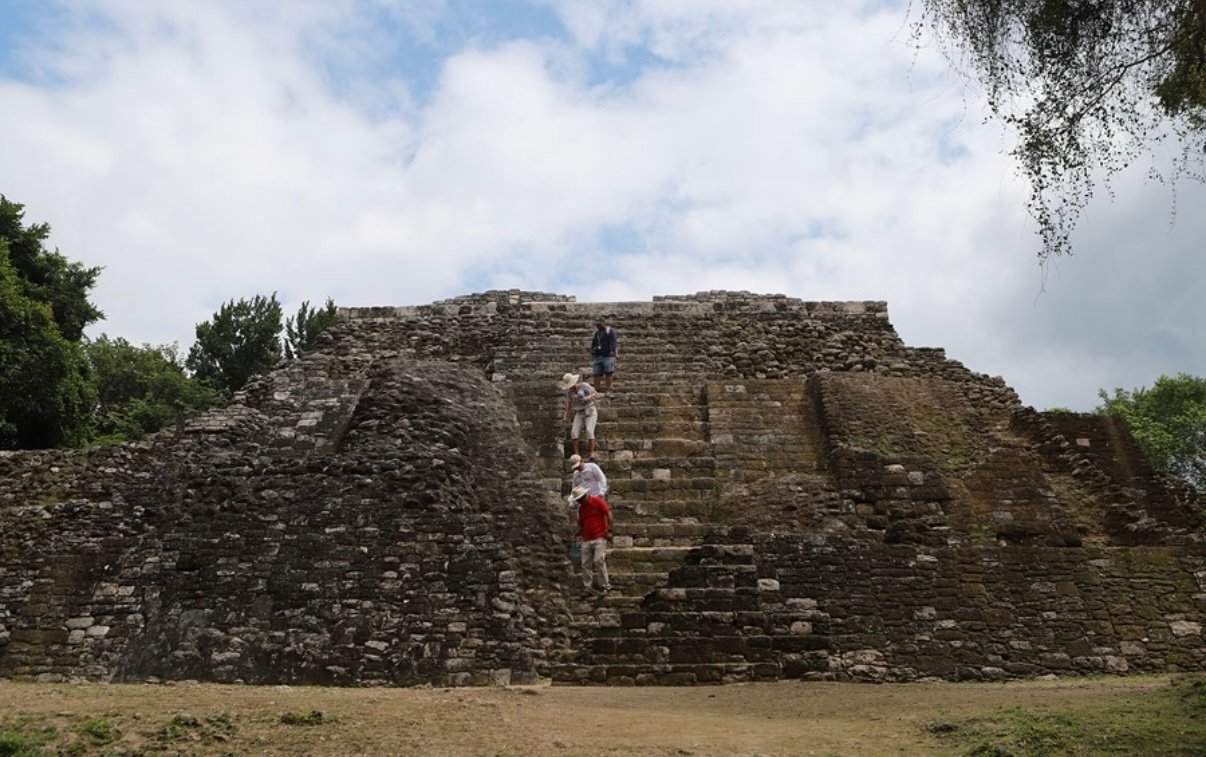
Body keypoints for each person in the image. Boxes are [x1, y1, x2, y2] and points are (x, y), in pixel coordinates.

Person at [571, 485, 612, 594]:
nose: (579, 501)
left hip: (599, 535)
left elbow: (608, 514)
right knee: (585, 563)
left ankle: (605, 585)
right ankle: (587, 586)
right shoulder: (581, 509)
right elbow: (581, 524)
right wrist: (575, 534)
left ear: (584, 496)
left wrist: (609, 530)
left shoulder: (597, 501)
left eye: (580, 499)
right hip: (587, 538)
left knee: (598, 560)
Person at [559, 372, 601, 460]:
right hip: (579, 412)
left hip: (590, 410)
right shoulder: (570, 392)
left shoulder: (584, 386)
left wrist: (588, 397)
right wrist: (566, 416)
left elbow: (594, 393)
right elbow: (569, 405)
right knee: (574, 432)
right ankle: (576, 454)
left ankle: (591, 452)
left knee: (589, 431)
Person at [590, 317, 618, 392]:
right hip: (598, 355)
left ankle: (608, 388)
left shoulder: (610, 331)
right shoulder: (597, 333)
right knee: (597, 373)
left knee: (608, 372)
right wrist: (592, 349)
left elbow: (613, 341)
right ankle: (596, 388)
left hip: (608, 356)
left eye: (599, 325)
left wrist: (612, 350)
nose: (597, 326)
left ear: (603, 323)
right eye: (597, 325)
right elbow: (594, 342)